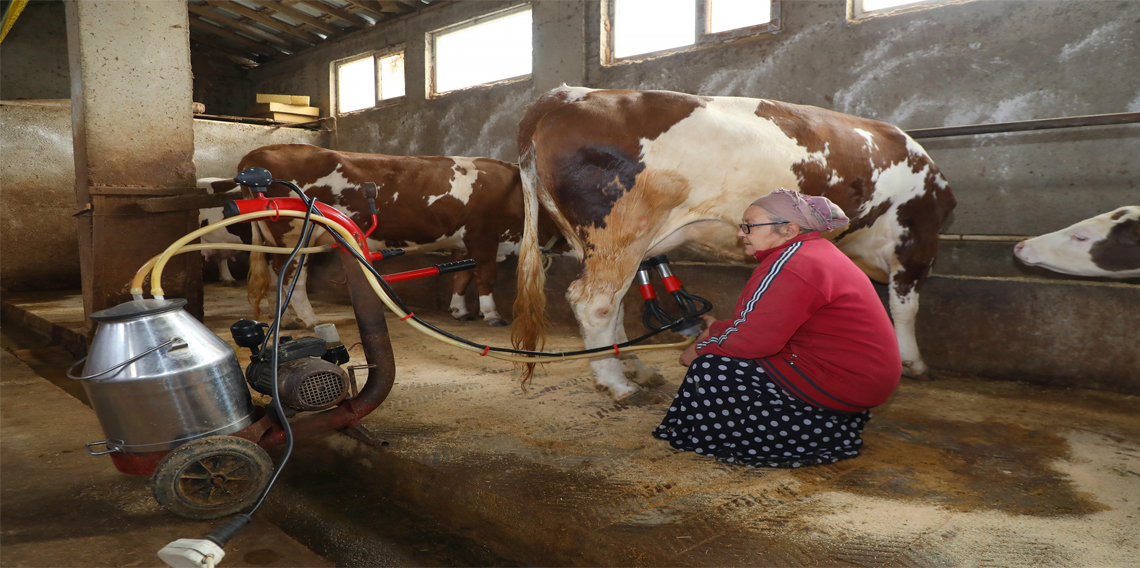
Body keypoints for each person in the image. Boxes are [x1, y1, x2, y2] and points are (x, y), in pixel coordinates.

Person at [653, 189, 902, 468]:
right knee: (723, 353)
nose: (740, 234)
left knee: (713, 367)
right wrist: (717, 329)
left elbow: (756, 341)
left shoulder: (792, 263)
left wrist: (700, 348)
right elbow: (766, 323)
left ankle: (741, 439)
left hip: (842, 380)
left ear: (789, 229)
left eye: (749, 226)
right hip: (857, 379)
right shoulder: (812, 251)